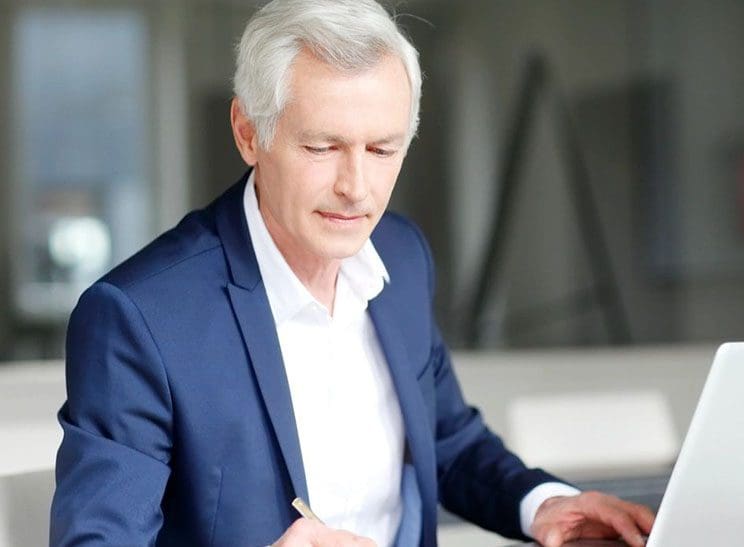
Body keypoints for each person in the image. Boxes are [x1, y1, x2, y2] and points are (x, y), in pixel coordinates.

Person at [50, 1, 655, 545]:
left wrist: (545, 505)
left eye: (383, 149)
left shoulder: (402, 255)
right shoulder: (141, 317)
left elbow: (445, 441)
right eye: (322, 147)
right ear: (248, 133)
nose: (356, 188)